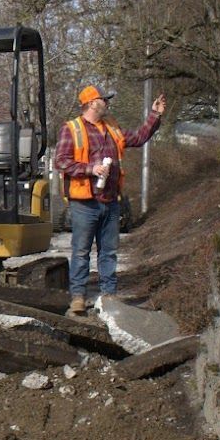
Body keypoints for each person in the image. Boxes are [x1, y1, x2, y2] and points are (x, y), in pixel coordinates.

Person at [53, 85, 167, 315]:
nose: (107, 103)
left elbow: (138, 137)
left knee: (109, 252)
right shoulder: (72, 129)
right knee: (81, 251)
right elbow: (61, 161)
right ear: (92, 103)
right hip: (84, 202)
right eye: (104, 99)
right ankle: (78, 297)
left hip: (110, 200)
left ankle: (109, 295)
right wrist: (90, 169)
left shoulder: (112, 128)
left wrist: (155, 115)